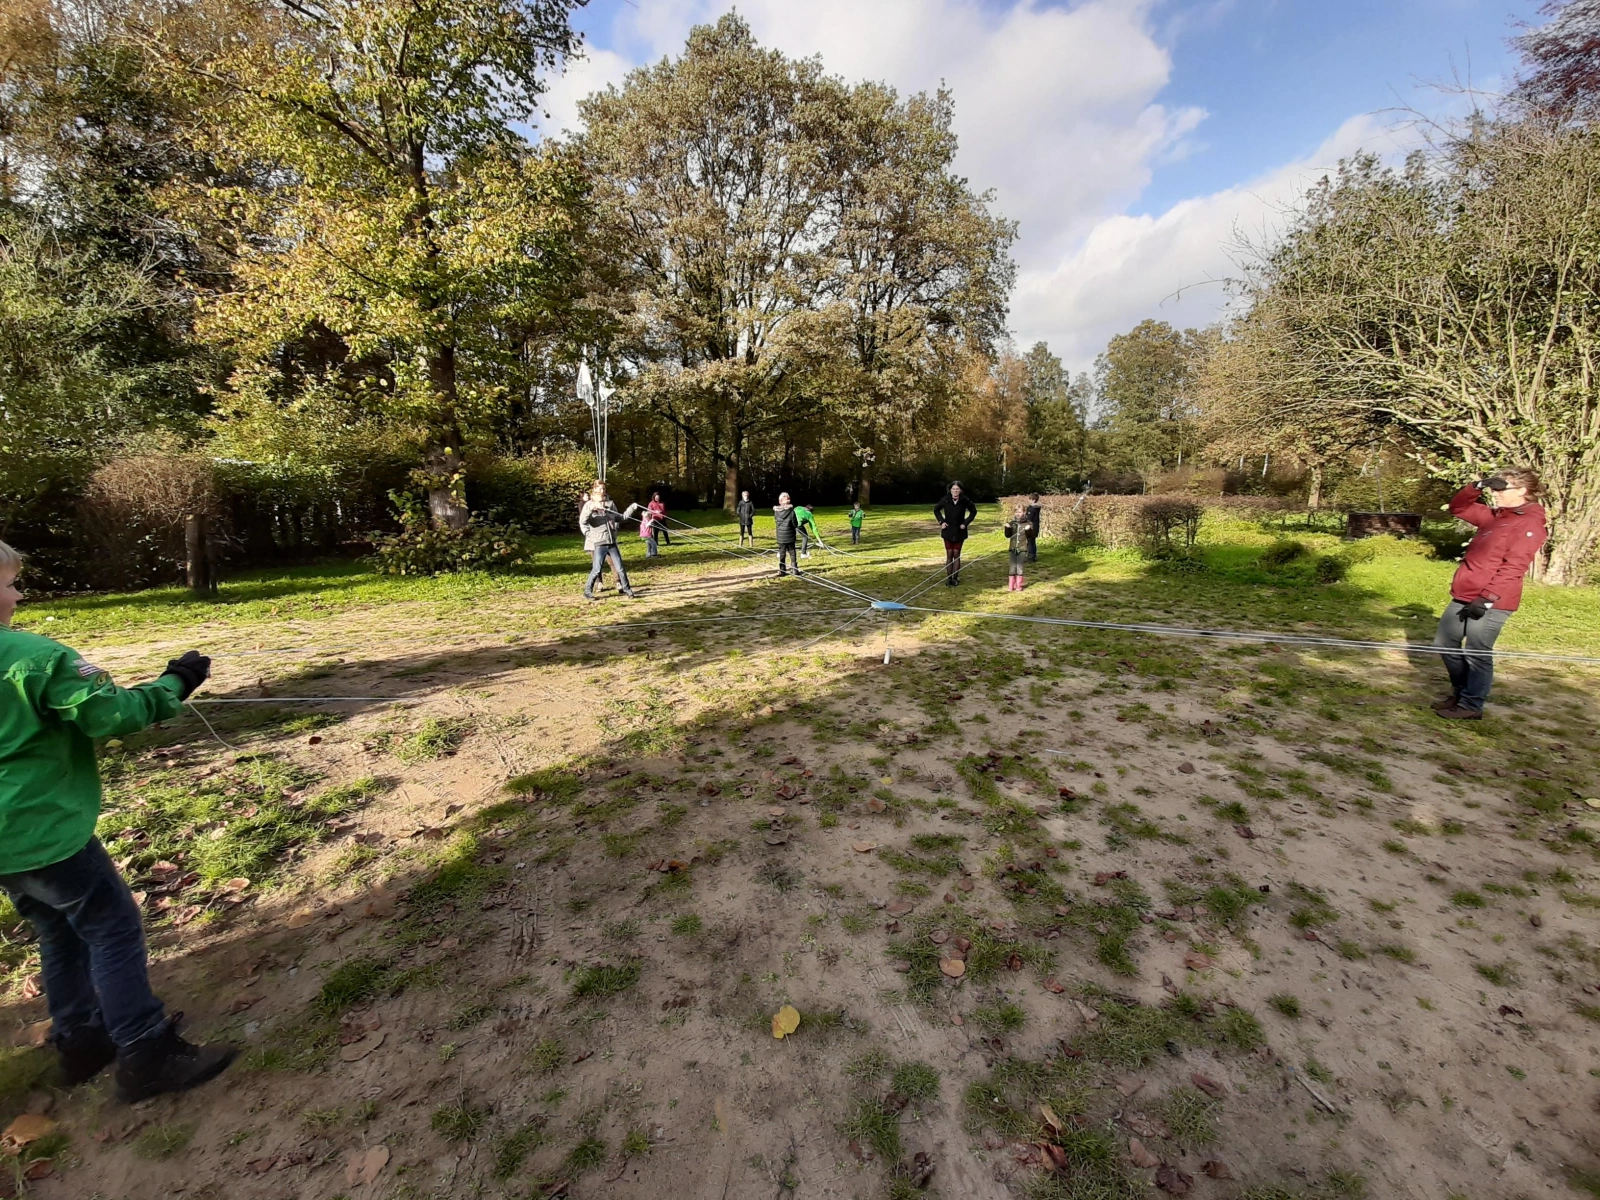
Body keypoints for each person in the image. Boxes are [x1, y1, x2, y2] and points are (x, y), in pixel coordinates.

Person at [0, 540, 237, 1102]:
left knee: (57, 930)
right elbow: (112, 714)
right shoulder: (35, 658)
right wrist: (175, 683)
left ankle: (80, 1039)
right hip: (42, 830)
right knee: (112, 927)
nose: (18, 594)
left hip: (6, 849)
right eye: (9, 584)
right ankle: (146, 1050)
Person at [1431, 469, 1547, 720]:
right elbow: (1458, 507)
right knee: (1444, 644)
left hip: (1492, 600)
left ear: (1522, 491)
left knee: (1477, 652)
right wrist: (1476, 485)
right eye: (1493, 488)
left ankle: (1471, 705)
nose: (1494, 494)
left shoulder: (1529, 523)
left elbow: (1514, 566)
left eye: (1500, 489)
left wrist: (1488, 598)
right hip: (1464, 593)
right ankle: (1461, 694)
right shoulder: (1495, 517)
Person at [579, 481, 637, 600]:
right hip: (599, 543)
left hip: (611, 542)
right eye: (600, 489)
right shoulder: (589, 505)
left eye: (604, 489)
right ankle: (587, 591)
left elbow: (621, 517)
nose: (602, 491)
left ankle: (627, 590)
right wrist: (588, 533)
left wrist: (631, 508)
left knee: (620, 568)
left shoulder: (610, 504)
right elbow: (583, 521)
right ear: (595, 490)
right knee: (597, 569)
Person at [933, 481, 978, 586]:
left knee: (956, 554)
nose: (955, 491)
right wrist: (941, 522)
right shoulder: (945, 499)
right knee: (949, 554)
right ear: (950, 490)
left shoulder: (965, 500)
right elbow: (936, 510)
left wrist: (965, 523)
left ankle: (955, 578)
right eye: (953, 489)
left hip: (959, 531)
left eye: (957, 489)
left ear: (961, 490)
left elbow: (973, 511)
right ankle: (949, 578)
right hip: (948, 531)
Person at [773, 493, 801, 577]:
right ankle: (794, 569)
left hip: (780, 536)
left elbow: (776, 522)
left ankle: (782, 570)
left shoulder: (776, 512)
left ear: (780, 501)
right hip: (790, 535)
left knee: (782, 553)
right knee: (792, 552)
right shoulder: (791, 512)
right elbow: (795, 524)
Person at [1003, 505, 1030, 591]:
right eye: (1016, 512)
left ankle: (1019, 586)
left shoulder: (1028, 523)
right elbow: (1008, 535)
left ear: (1024, 512)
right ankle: (1011, 586)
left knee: (1019, 567)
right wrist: (1007, 528)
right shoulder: (1012, 523)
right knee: (1012, 567)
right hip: (1013, 548)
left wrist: (1028, 530)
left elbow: (1030, 536)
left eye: (1020, 512)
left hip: (1022, 548)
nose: (1018, 514)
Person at [1023, 493, 1043, 562]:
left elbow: (1029, 519)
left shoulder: (1031, 509)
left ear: (1033, 500)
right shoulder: (1037, 508)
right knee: (1032, 541)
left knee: (1030, 542)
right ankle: (1033, 556)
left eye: (1030, 499)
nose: (1029, 501)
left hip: (1031, 527)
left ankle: (1031, 557)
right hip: (1035, 527)